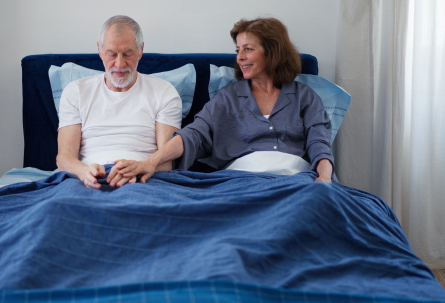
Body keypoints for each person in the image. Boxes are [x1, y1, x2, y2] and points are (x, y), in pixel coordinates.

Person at [109, 17, 334, 186]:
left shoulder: (304, 97)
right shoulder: (228, 98)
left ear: (272, 52)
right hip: (241, 182)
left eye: (248, 49)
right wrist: (150, 161)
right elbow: (193, 135)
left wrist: (324, 178)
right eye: (238, 50)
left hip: (297, 180)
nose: (240, 57)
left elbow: (319, 144)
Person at [56, 15, 182, 189]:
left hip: (143, 179)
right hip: (88, 179)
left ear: (140, 50)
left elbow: (167, 162)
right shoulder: (76, 91)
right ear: (100, 50)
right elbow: (64, 157)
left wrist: (137, 169)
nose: (120, 63)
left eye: (128, 54)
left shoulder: (164, 92)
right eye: (111, 54)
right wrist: (84, 172)